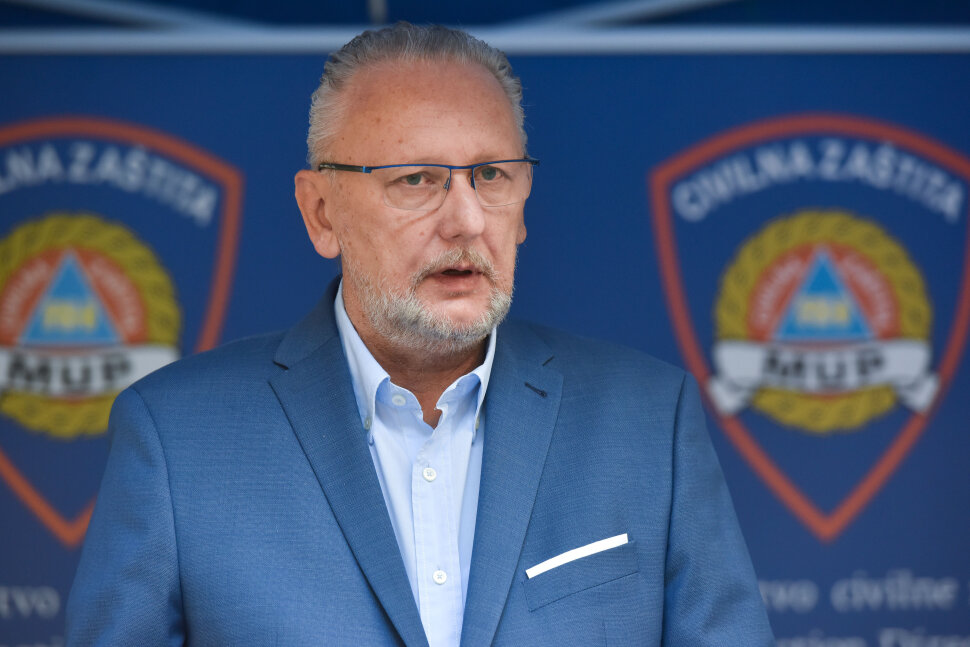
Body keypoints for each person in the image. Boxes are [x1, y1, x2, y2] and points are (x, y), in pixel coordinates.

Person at [66, 22, 773, 646]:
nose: (467, 220)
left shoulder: (649, 422)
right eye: (416, 180)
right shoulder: (177, 440)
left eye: (490, 175)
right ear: (321, 213)